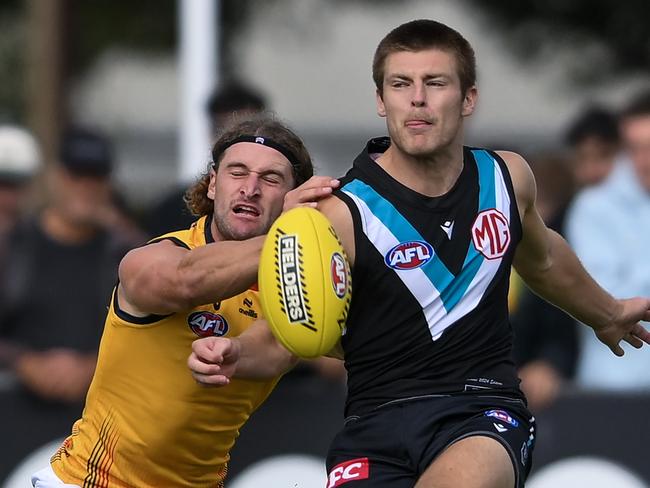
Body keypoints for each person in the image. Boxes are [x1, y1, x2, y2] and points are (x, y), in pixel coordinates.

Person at [189, 20, 650, 488]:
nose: (417, 99)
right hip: (373, 425)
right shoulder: (339, 212)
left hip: (482, 411)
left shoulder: (506, 177)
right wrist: (235, 352)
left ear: (468, 98)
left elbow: (545, 258)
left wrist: (607, 312)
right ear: (380, 100)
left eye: (435, 83)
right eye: (400, 84)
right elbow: (294, 331)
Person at [31, 114, 339, 487]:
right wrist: (293, 235)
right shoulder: (157, 256)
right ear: (212, 184)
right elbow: (186, 281)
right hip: (90, 481)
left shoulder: (293, 283)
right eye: (237, 172)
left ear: (294, 195)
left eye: (271, 178)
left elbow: (281, 343)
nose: (251, 188)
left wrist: (234, 351)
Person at [0, 126, 143, 483]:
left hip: (102, 433)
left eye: (95, 177)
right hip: (14, 421)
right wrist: (23, 362)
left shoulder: (127, 253)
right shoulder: (12, 245)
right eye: (76, 175)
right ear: (55, 178)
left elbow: (156, 332)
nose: (85, 187)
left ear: (109, 183)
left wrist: (94, 365)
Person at [566, 89, 650, 390]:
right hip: (613, 385)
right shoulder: (592, 206)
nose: (644, 159)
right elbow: (604, 299)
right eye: (636, 148)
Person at [144, 80, 268, 237]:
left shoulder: (291, 203)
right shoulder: (172, 210)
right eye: (231, 136)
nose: (250, 190)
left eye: (252, 135)